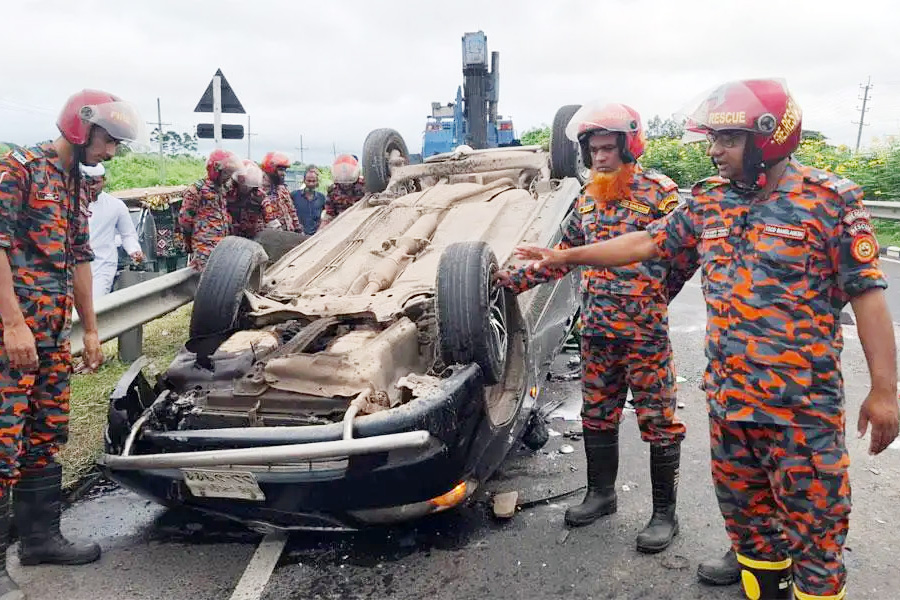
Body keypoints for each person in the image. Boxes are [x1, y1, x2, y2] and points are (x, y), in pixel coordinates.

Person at [512, 79, 899, 600]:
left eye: (727, 139)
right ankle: (763, 581)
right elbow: (649, 242)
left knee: (817, 544)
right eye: (712, 138)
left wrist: (884, 390)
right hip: (730, 404)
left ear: (769, 138)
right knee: (752, 533)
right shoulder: (709, 203)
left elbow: (868, 298)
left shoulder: (829, 201)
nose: (713, 150)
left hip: (801, 413)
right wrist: (566, 257)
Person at [496, 102, 697, 553]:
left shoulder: (659, 192)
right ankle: (601, 495)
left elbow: (686, 255)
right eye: (594, 150)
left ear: (629, 147)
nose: (601, 157)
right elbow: (561, 255)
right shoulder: (587, 198)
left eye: (609, 148)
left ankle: (665, 515)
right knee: (597, 416)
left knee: (659, 422)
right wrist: (507, 281)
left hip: (645, 334)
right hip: (598, 333)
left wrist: (658, 296)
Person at [0, 89, 147, 598]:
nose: (112, 153)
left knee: (45, 434)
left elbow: (81, 259)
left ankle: (40, 540)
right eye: (109, 141)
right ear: (83, 127)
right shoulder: (19, 169)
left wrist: (88, 329)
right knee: (3, 442)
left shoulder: (74, 186)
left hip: (53, 333)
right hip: (12, 334)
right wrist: (13, 323)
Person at [81, 163, 144, 296]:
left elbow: (127, 235)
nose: (91, 186)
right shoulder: (70, 204)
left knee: (95, 304)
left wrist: (134, 250)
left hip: (103, 265)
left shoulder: (116, 205)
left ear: (104, 181)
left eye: (95, 182)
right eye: (88, 182)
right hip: (75, 267)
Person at [178, 149, 240, 270]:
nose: (228, 177)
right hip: (205, 247)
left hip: (223, 245)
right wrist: (190, 244)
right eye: (226, 173)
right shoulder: (196, 190)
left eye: (230, 174)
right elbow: (185, 221)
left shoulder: (223, 188)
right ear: (216, 170)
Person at [260, 151, 301, 233]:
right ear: (270, 169)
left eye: (285, 170)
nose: (284, 174)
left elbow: (292, 212)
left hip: (289, 236)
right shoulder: (258, 192)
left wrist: (298, 230)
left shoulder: (283, 190)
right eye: (281, 170)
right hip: (270, 238)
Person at [227, 159, 267, 238]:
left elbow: (270, 215)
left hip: (252, 236)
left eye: (249, 185)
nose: (246, 187)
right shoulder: (227, 192)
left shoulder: (260, 195)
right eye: (244, 184)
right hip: (231, 236)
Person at [323, 154, 366, 224]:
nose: (344, 174)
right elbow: (329, 214)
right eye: (342, 172)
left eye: (347, 171)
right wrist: (321, 231)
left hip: (361, 222)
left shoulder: (364, 186)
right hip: (341, 225)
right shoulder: (333, 190)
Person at [291, 168, 326, 235]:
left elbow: (328, 214)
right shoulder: (294, 195)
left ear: (317, 182)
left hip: (315, 236)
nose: (311, 184)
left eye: (313, 181)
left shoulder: (322, 198)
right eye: (308, 181)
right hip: (298, 235)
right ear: (304, 181)